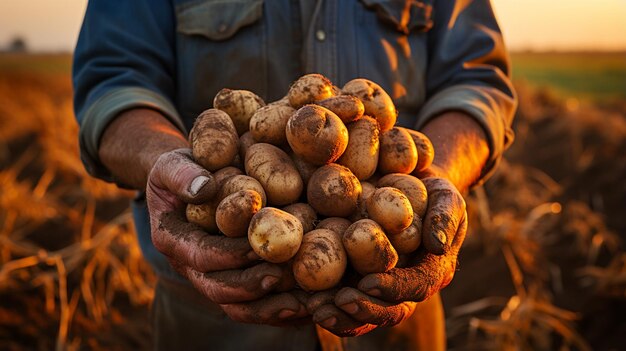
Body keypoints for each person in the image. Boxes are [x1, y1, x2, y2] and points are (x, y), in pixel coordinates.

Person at [73, 0, 516, 350]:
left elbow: (476, 80)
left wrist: (441, 172)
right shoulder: (261, 148)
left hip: (395, 312)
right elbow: (113, 80)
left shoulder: (364, 165)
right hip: (211, 318)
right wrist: (167, 161)